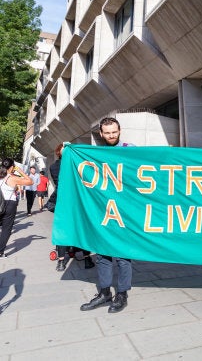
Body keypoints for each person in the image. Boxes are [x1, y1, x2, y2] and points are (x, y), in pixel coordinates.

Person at [80, 117, 133, 314]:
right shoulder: (95, 153)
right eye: (107, 132)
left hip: (124, 213)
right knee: (102, 254)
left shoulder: (131, 149)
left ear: (119, 131)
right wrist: (69, 150)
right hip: (102, 211)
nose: (111, 135)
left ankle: (122, 294)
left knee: (122, 256)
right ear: (101, 134)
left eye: (114, 132)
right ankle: (104, 293)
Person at [49, 143, 95, 271]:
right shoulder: (77, 164)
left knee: (62, 230)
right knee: (81, 229)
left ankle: (61, 262)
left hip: (62, 202)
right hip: (77, 201)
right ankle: (87, 259)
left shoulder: (53, 167)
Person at [0, 159, 34, 257]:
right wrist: (20, 171)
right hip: (9, 205)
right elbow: (30, 181)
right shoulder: (12, 178)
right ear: (11, 167)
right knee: (6, 229)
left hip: (0, 202)